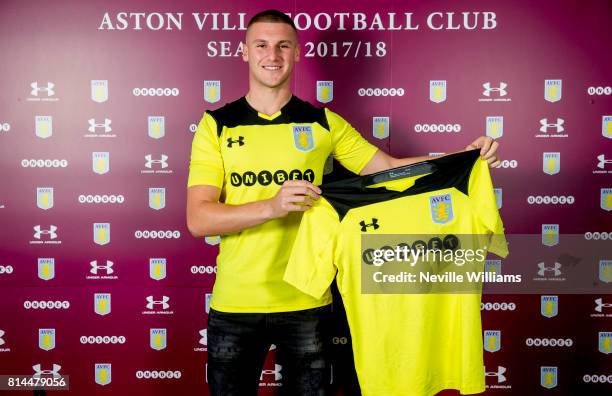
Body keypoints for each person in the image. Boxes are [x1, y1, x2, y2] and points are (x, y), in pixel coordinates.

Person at [186, 9, 500, 396]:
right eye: (262, 45)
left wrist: (462, 157)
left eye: (284, 45)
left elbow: (387, 168)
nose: (273, 55)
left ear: (297, 53)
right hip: (235, 303)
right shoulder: (216, 124)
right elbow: (199, 219)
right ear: (244, 53)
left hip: (307, 302)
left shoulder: (323, 122)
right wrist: (273, 205)